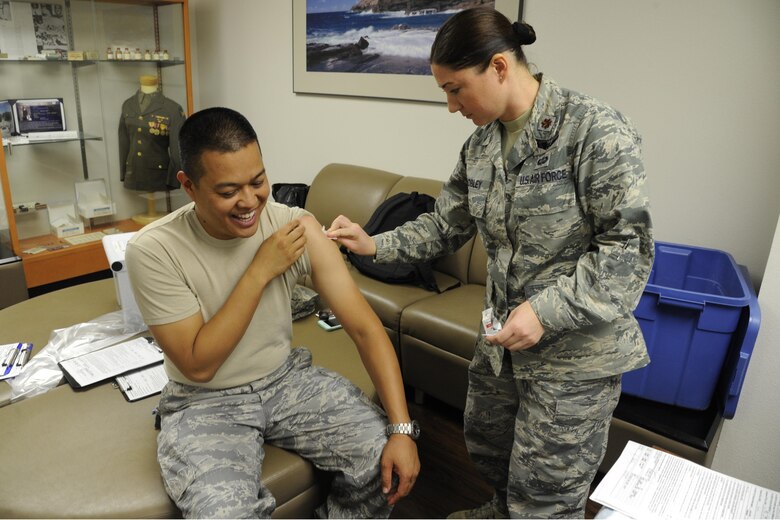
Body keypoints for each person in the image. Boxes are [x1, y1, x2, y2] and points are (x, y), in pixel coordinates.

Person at [327, 7, 653, 519]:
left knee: (546, 492)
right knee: (490, 447)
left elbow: (627, 251)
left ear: (499, 67)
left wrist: (544, 311)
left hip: (573, 357)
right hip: (501, 343)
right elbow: (444, 225)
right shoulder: (481, 146)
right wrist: (373, 244)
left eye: (456, 89)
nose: (451, 106)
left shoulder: (593, 131)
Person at [125, 107, 420, 518]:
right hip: (204, 401)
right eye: (228, 191)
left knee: (380, 457)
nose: (249, 202)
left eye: (258, 181)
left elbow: (365, 329)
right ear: (189, 186)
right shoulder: (154, 250)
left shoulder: (295, 227)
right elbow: (198, 364)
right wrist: (260, 270)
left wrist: (402, 429)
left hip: (285, 379)